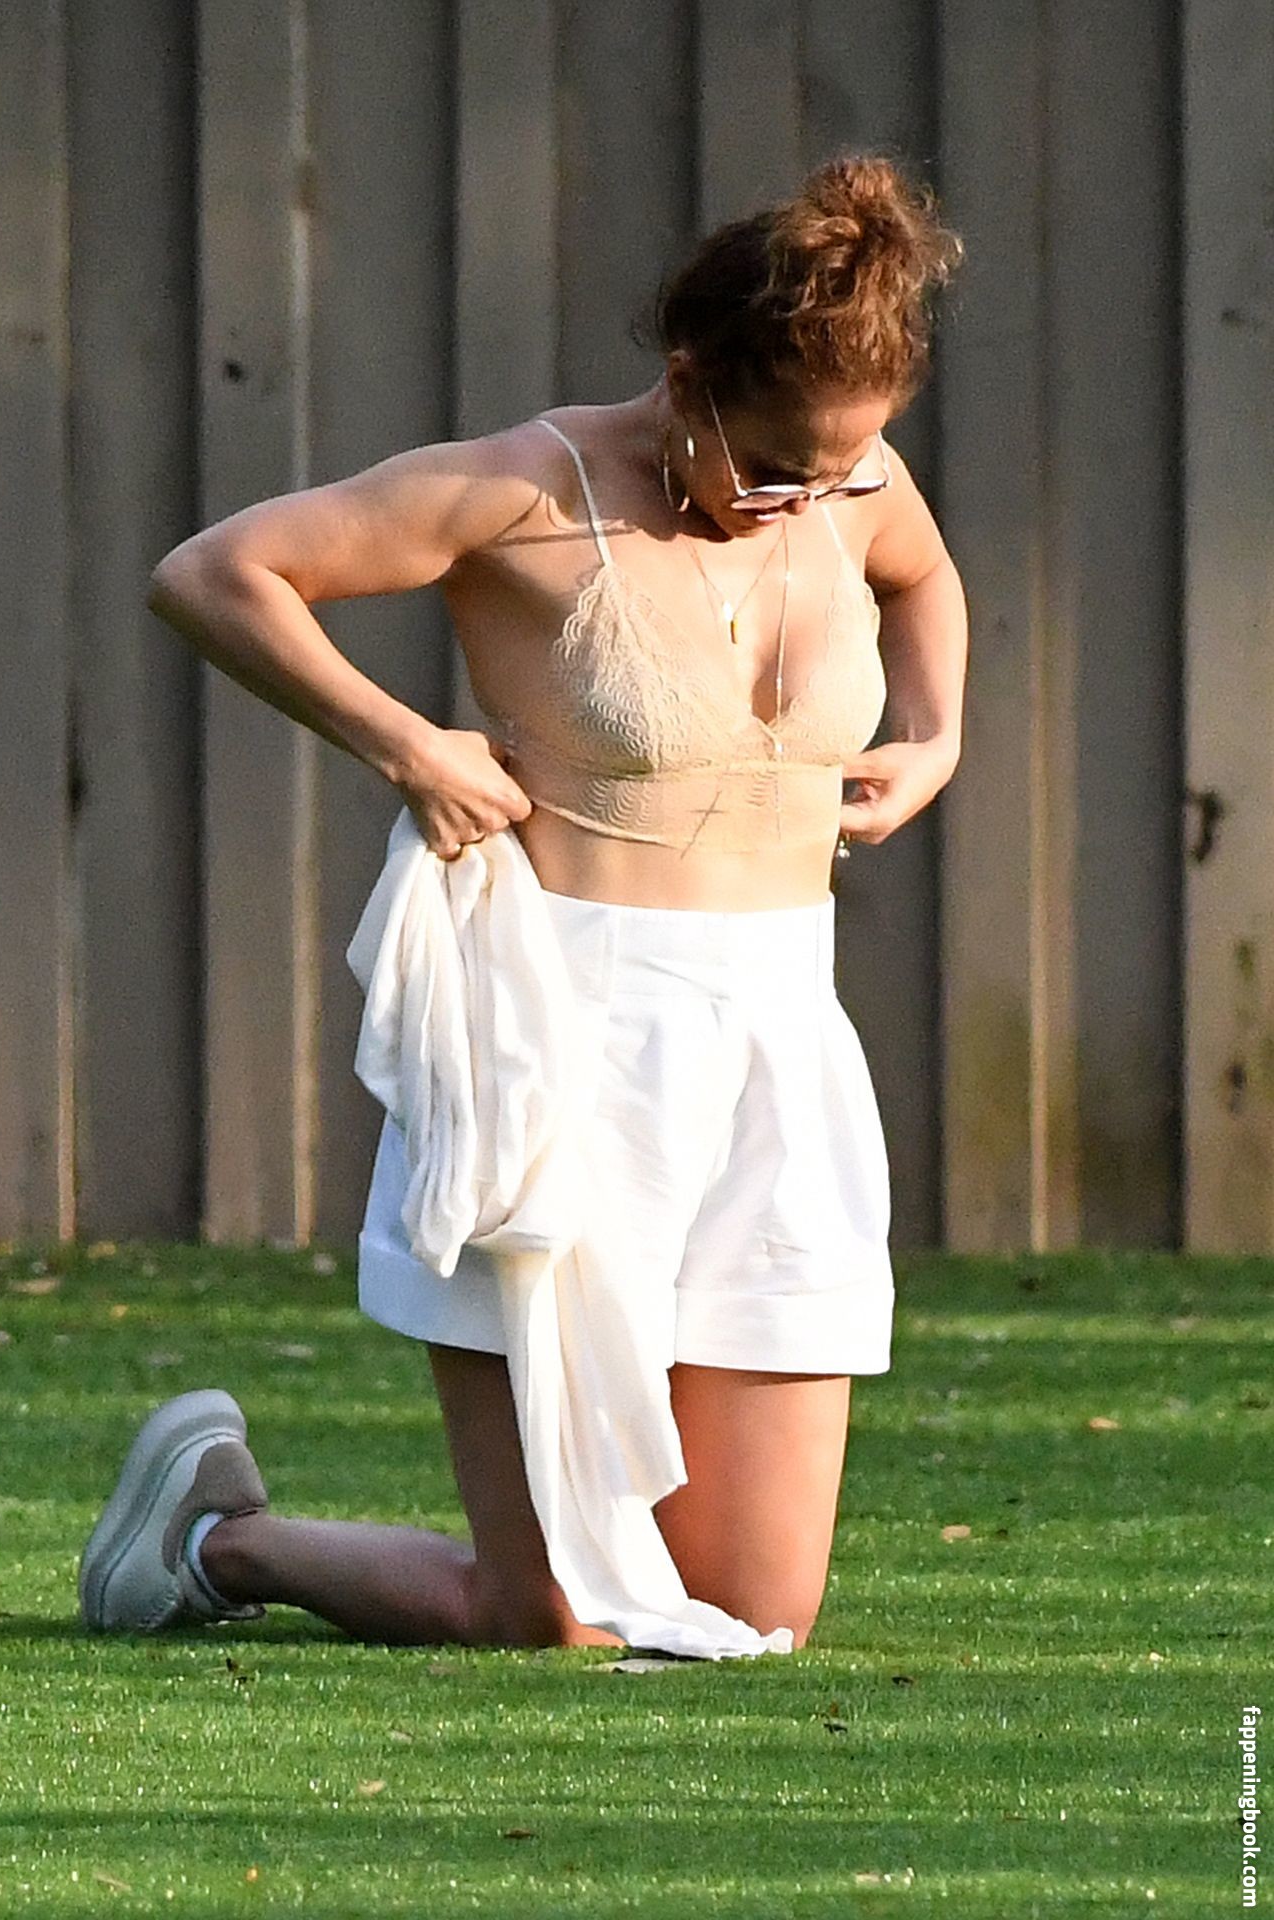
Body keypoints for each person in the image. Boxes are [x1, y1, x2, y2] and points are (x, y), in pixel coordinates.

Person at [79, 151, 967, 1655]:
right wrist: (406, 744)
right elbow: (216, 573)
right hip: (574, 1033)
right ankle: (217, 1540)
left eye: (845, 468)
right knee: (551, 1614)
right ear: (688, 383)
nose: (809, 502)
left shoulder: (848, 477)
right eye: (775, 468)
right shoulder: (524, 489)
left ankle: (242, 1539)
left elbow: (924, 577)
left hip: (782, 1030)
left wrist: (932, 740)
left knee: (751, 1613)